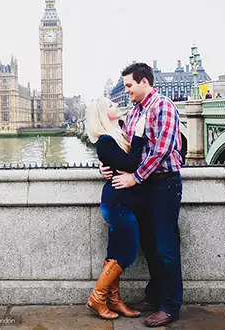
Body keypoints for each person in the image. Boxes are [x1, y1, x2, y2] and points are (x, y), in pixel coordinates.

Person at [100, 62, 183, 327]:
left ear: (144, 81)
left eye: (129, 86)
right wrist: (107, 164)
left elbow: (161, 149)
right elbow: (124, 149)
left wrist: (135, 177)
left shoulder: (163, 107)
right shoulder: (134, 113)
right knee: (149, 246)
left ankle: (170, 307)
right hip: (143, 187)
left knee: (165, 247)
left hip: (163, 185)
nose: (126, 92)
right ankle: (156, 296)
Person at [85, 97, 146, 320]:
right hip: (117, 204)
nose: (116, 107)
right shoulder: (105, 141)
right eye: (111, 105)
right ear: (102, 113)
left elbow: (122, 162)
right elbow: (131, 164)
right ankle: (97, 297)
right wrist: (138, 137)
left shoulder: (118, 134)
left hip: (123, 202)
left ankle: (114, 300)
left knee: (114, 254)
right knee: (127, 254)